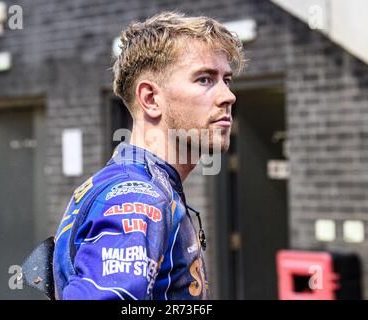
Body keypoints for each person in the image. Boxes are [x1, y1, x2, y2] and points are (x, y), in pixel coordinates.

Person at [52, 11, 244, 300]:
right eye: (205, 79)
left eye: (226, 80)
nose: (228, 96)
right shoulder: (137, 198)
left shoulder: (144, 184)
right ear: (151, 99)